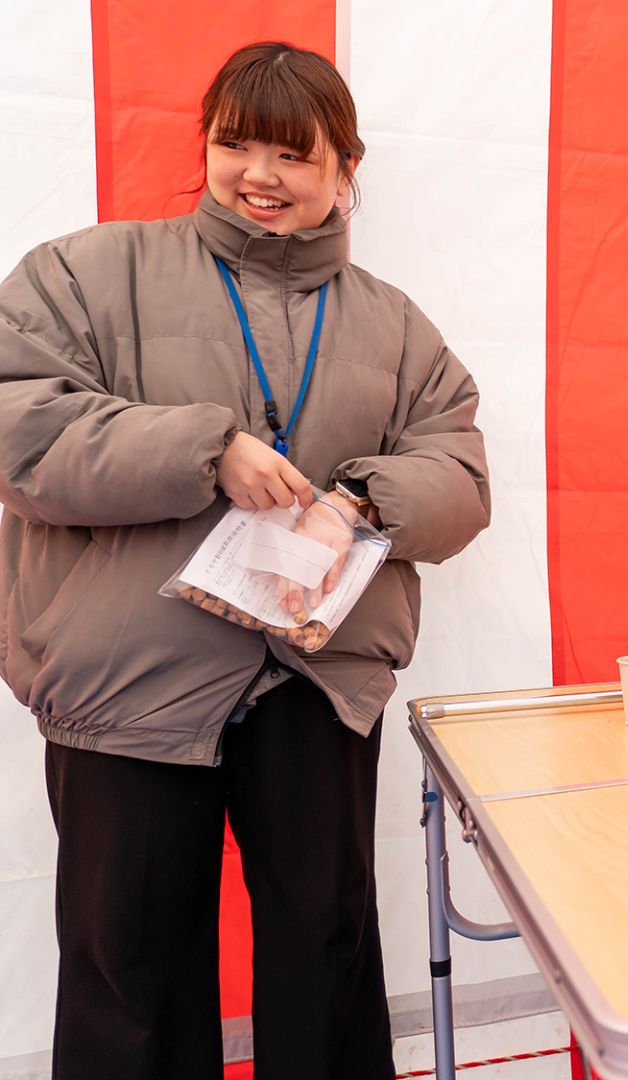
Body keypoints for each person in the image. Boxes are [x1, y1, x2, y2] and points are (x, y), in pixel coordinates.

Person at [0, 42, 490, 1080]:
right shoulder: (84, 274)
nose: (259, 175)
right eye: (235, 144)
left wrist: (366, 498)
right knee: (129, 973)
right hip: (129, 687)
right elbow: (21, 433)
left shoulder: (398, 328)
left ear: (345, 170)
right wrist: (204, 450)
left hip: (315, 680)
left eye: (292, 154)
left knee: (326, 953)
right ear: (207, 147)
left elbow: (460, 473)